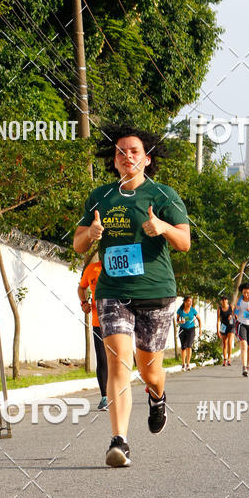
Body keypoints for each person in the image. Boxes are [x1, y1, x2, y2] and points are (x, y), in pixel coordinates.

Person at [73, 125, 190, 467]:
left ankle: (157, 396)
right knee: (118, 364)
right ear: (114, 161)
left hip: (155, 292)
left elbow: (184, 242)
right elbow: (78, 241)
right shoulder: (100, 197)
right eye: (121, 152)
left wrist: (163, 228)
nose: (127, 157)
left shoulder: (164, 195)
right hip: (112, 292)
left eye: (134, 151)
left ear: (147, 158)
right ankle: (119, 441)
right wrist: (91, 234)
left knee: (149, 369)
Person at [78, 256, 108, 410]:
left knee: (117, 360)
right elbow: (81, 287)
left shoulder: (120, 266)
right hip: (98, 322)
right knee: (102, 359)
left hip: (120, 322)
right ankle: (105, 397)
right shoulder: (92, 269)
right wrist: (84, 303)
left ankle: (118, 395)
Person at [177, 296, 201, 371]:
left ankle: (188, 364)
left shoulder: (193, 310)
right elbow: (177, 320)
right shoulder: (180, 310)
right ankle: (183, 364)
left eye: (191, 301)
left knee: (189, 346)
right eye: (188, 301)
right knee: (183, 347)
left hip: (191, 329)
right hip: (182, 329)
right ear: (185, 302)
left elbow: (199, 319)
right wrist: (180, 322)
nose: (190, 303)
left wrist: (200, 329)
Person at [217, 296, 236, 366]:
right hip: (223, 327)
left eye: (225, 299)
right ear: (221, 301)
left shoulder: (231, 307)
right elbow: (218, 320)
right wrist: (218, 331)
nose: (224, 301)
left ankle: (229, 359)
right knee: (224, 343)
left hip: (231, 326)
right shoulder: (219, 309)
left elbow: (236, 314)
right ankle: (224, 359)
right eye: (222, 300)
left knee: (230, 342)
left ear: (227, 301)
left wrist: (232, 316)